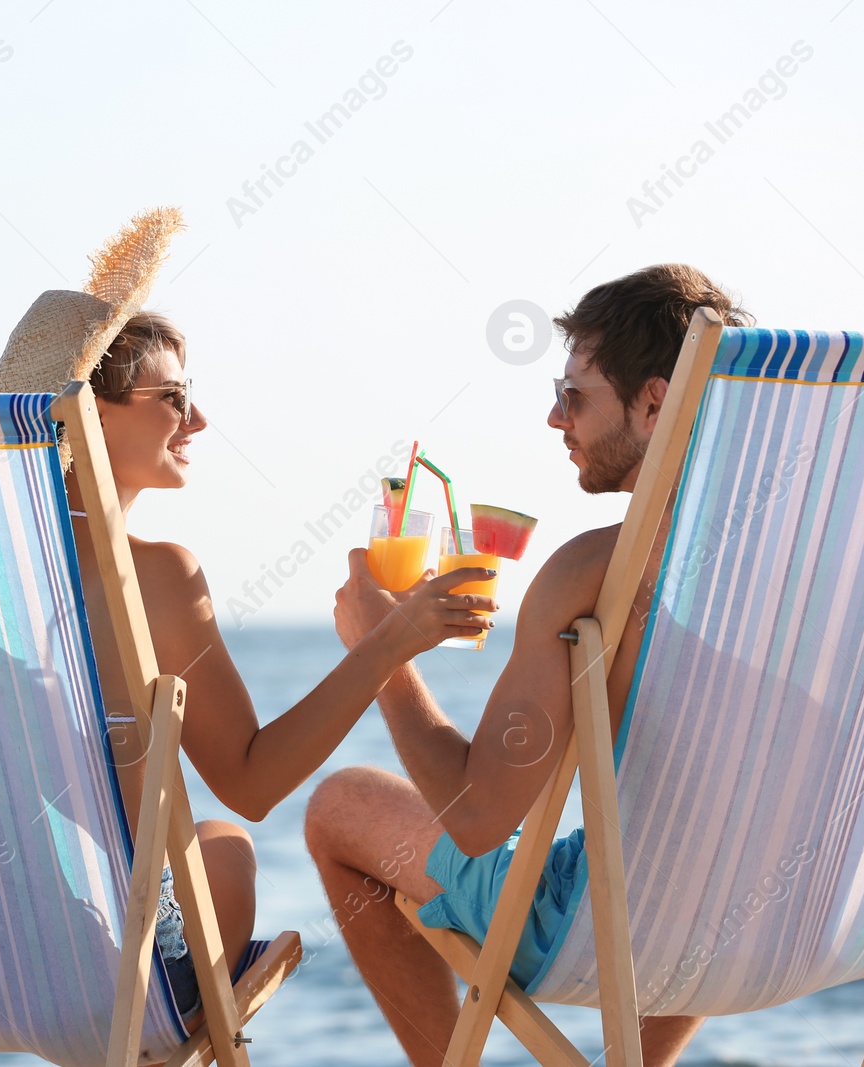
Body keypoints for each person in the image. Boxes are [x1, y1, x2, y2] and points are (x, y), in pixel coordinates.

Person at [0, 207, 497, 1021]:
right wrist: (388, 641)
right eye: (174, 398)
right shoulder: (155, 577)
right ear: (91, 409)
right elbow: (254, 781)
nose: (196, 422)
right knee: (227, 843)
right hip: (116, 969)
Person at [304, 264, 754, 1067]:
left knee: (340, 806)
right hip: (804, 916)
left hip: (626, 925)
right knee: (713, 839)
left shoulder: (596, 572)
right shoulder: (827, 567)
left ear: (655, 403)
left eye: (574, 395)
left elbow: (477, 823)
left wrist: (384, 655)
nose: (555, 417)